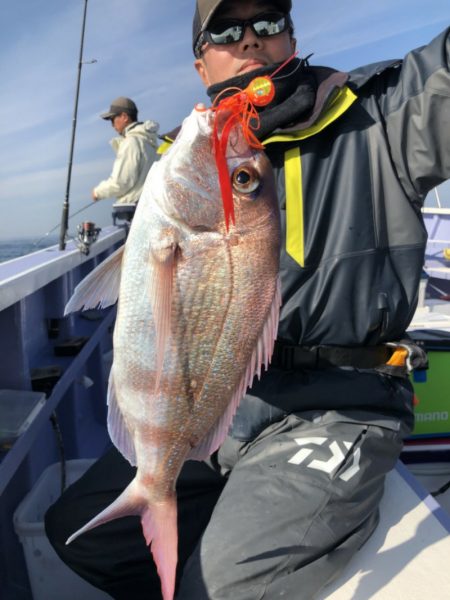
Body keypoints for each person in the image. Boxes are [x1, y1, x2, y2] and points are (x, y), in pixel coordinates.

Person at [45, 1, 449, 599]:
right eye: (227, 30)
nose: (251, 39)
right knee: (81, 534)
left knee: (224, 586)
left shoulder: (381, 116)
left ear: (290, 37)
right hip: (225, 408)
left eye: (268, 23)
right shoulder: (190, 155)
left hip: (337, 406)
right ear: (201, 66)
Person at [91, 96, 160, 207]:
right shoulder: (149, 141)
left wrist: (97, 192)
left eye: (113, 119)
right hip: (147, 205)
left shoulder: (131, 142)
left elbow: (121, 182)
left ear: (124, 117)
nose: (112, 125)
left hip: (134, 210)